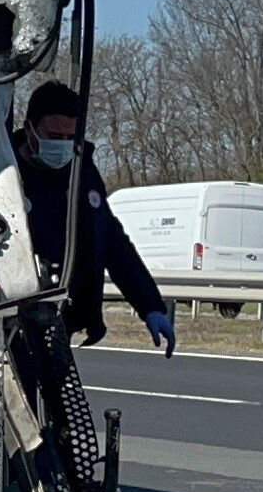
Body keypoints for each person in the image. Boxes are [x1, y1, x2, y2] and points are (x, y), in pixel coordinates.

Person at [15, 82, 176, 353]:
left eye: (70, 138)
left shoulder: (82, 172)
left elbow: (111, 241)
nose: (62, 146)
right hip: (14, 317)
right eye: (53, 136)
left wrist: (149, 305)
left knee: (56, 392)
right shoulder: (5, 173)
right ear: (30, 128)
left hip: (62, 317)